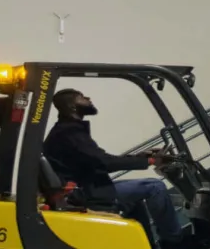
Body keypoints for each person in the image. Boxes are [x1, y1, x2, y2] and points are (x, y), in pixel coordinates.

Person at [43, 88, 186, 248]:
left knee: (135, 199)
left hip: (88, 188)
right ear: (72, 107)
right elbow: (104, 162)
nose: (88, 98)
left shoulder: (67, 131)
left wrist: (138, 158)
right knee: (155, 187)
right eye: (82, 97)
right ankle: (174, 243)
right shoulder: (69, 133)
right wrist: (150, 161)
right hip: (87, 193)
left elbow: (97, 160)